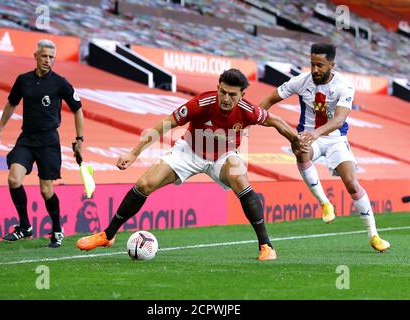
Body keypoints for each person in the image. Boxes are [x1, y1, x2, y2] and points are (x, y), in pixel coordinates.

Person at [77, 68, 304, 260]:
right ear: (218, 87)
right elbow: (165, 124)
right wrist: (134, 153)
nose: (226, 98)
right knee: (145, 183)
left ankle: (266, 246)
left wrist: (295, 140)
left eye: (232, 95)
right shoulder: (201, 103)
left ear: (243, 94)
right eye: (223, 92)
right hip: (189, 151)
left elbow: (276, 121)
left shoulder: (248, 110)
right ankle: (107, 235)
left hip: (224, 155)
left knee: (240, 178)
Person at [258, 43, 390, 252]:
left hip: (335, 138)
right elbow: (270, 99)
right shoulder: (301, 81)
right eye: (312, 64)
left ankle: (374, 235)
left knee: (352, 183)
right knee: (299, 148)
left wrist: (316, 133)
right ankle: (324, 203)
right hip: (310, 138)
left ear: (332, 65)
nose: (315, 70)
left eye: (320, 65)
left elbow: (339, 120)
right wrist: (252, 117)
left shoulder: (344, 86)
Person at [0, 39, 84, 248]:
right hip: (27, 139)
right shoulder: (23, 80)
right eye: (44, 56)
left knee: (46, 190)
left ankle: (57, 229)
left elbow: (77, 108)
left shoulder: (60, 82)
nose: (47, 60)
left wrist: (80, 140)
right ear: (35, 56)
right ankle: (25, 227)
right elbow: (11, 103)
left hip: (49, 141)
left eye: (51, 57)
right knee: (14, 179)